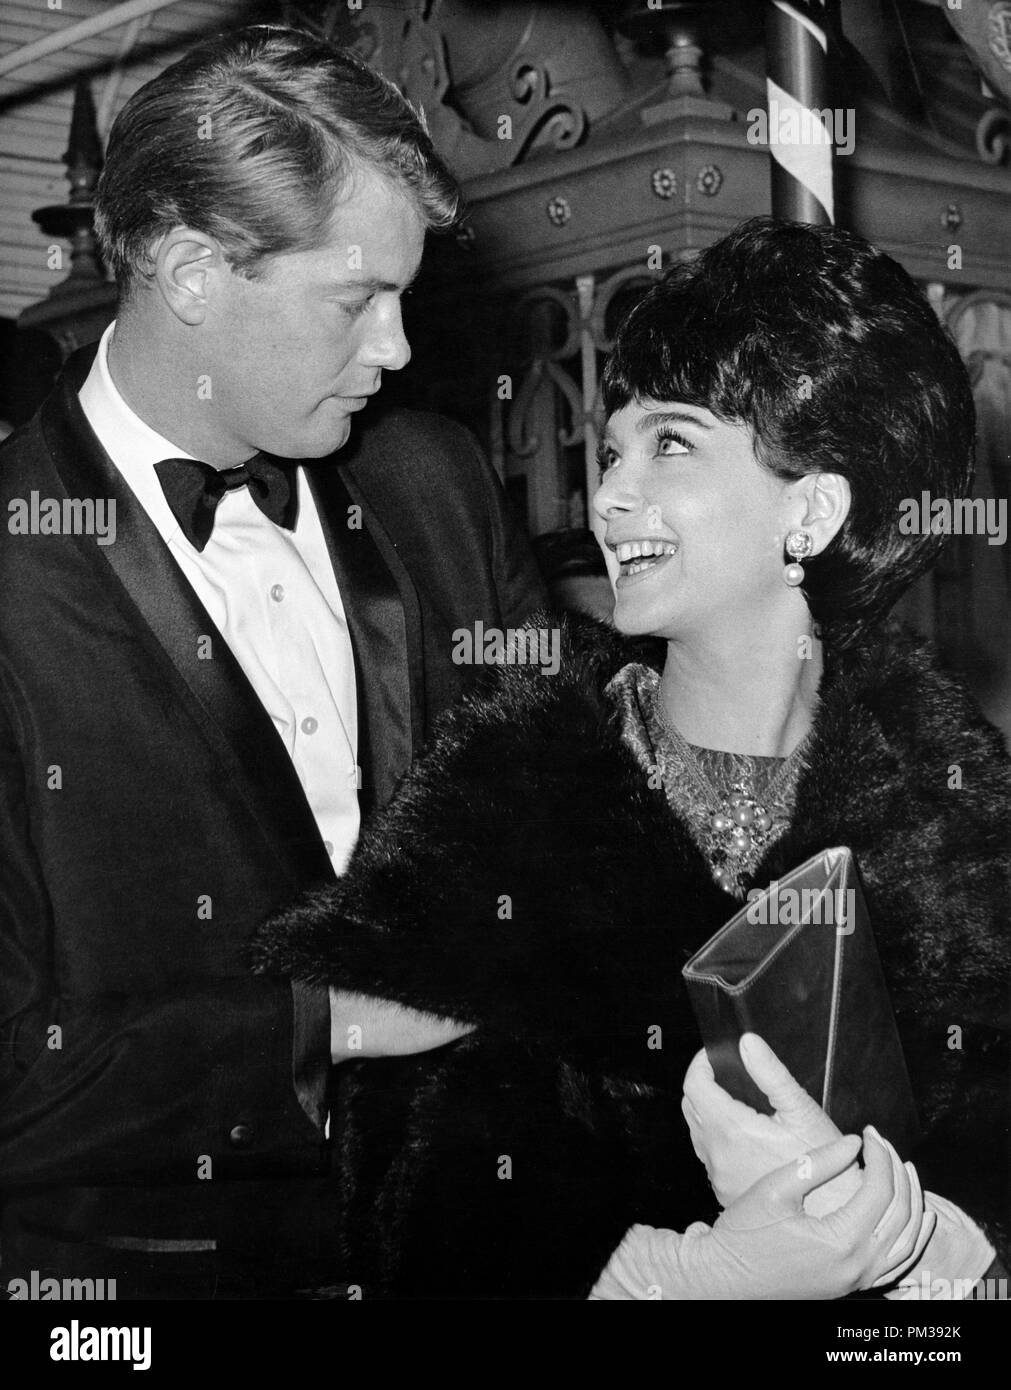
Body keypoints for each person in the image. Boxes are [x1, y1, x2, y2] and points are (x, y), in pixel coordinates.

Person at [255, 217, 1009, 1299]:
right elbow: (410, 1208)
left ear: (813, 508)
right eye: (613, 447)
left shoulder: (953, 802)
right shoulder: (508, 796)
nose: (609, 496)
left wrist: (926, 1249)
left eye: (673, 444)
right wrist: (691, 1276)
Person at [0, 26, 543, 1300]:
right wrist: (339, 1024)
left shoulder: (437, 484)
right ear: (191, 270)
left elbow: (555, 804)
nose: (400, 351)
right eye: (357, 300)